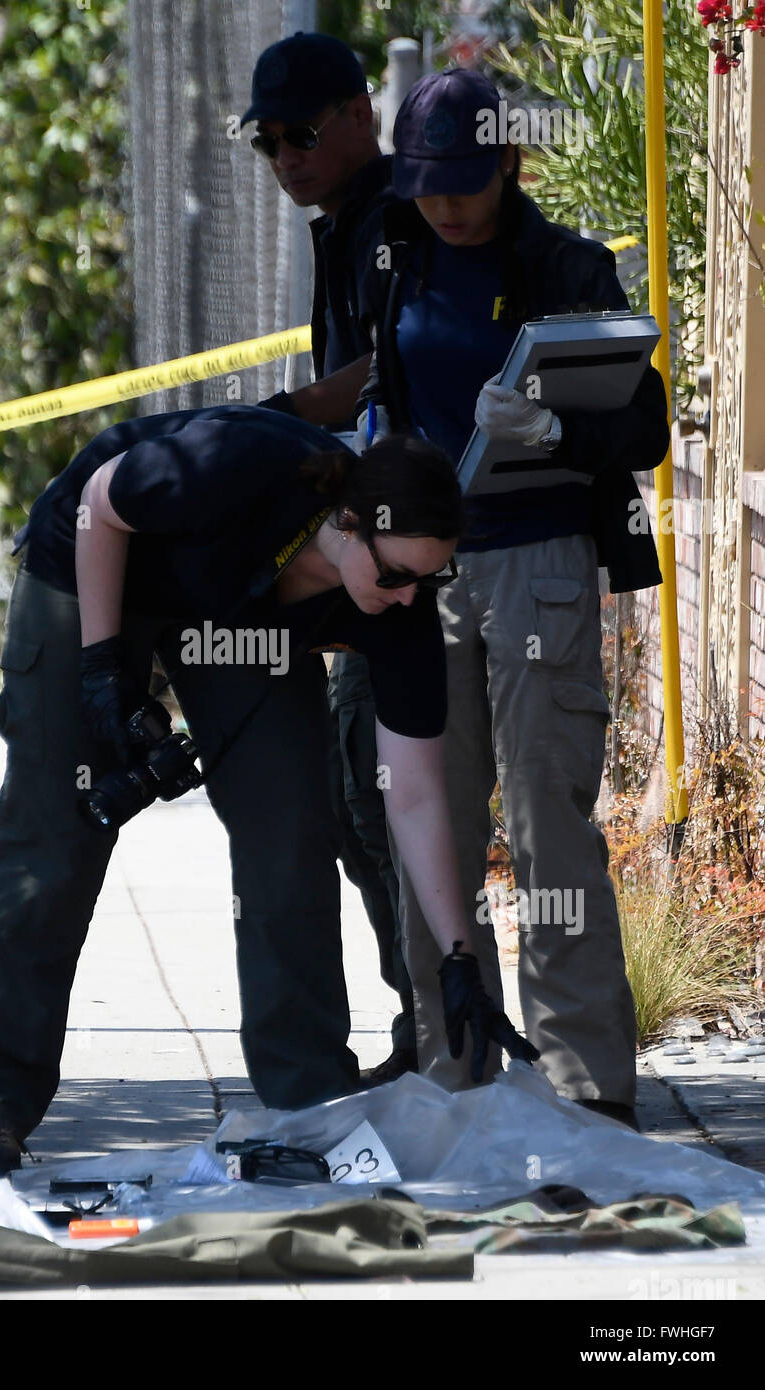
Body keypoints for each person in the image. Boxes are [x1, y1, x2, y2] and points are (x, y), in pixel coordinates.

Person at [0, 403, 537, 1176]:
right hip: (97, 566)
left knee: (289, 828)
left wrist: (459, 959)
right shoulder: (239, 461)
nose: (406, 599)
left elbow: (416, 795)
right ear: (347, 522)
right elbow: (100, 507)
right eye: (394, 575)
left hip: (242, 621)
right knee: (52, 837)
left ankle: (309, 1103)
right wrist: (100, 668)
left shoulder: (399, 607)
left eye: (430, 578)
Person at [358, 68, 671, 1128]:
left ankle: (587, 1086)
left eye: (464, 182)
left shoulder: (567, 266)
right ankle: (453, 1071)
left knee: (549, 829)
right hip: (416, 576)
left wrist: (559, 434)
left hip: (536, 561)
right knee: (431, 830)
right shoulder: (392, 254)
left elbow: (645, 429)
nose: (445, 203)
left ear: (510, 163)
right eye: (427, 183)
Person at [243, 30, 419, 1085]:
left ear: (359, 114)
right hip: (358, 552)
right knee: (358, 798)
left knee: (379, 789)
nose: (283, 158)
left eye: (301, 133)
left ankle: (440, 1028)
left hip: (403, 557)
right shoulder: (341, 221)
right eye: (266, 141)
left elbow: (392, 365)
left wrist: (289, 418)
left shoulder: (393, 219)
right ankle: (426, 1022)